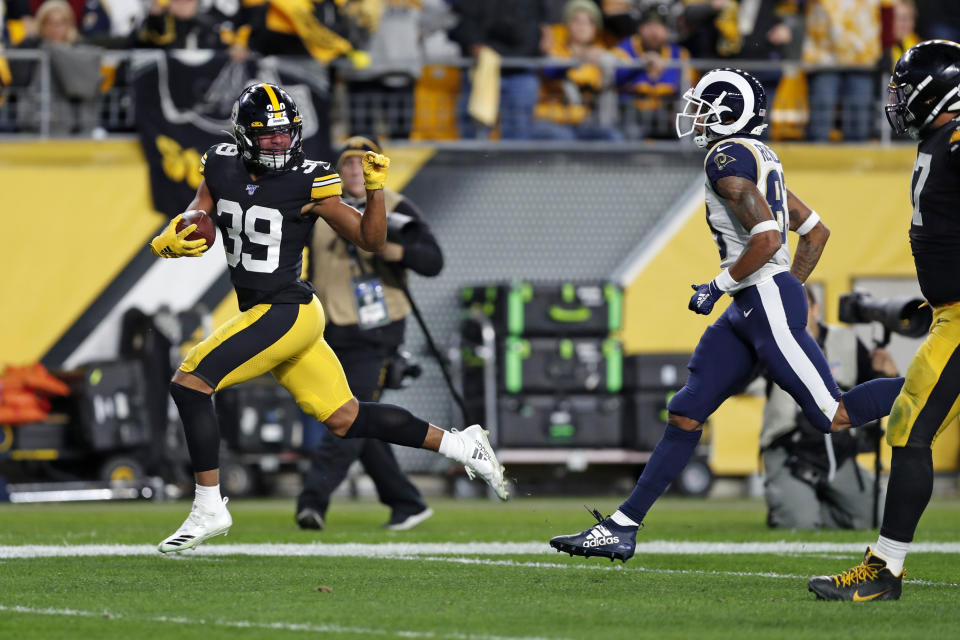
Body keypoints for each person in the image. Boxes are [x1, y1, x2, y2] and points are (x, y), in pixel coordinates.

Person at [549, 67, 904, 563]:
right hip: (755, 304)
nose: (696, 115)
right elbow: (816, 232)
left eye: (704, 106)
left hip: (757, 297)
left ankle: (934, 382)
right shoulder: (761, 155)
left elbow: (768, 238)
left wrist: (719, 286)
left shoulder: (728, 155)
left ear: (729, 111)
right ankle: (622, 527)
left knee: (832, 414)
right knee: (686, 410)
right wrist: (783, 290)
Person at [148, 82, 508, 554]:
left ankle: (209, 505)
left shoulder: (309, 179)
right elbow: (201, 211)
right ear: (243, 135)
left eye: (285, 133)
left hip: (287, 310)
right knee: (345, 416)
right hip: (267, 310)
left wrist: (376, 192)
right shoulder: (219, 163)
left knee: (190, 382)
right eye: (267, 134)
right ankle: (463, 446)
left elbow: (370, 240)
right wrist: (174, 234)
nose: (279, 142)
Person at [808, 40, 960, 601]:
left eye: (905, 88)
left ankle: (884, 569)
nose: (896, 98)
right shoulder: (940, 139)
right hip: (948, 314)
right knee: (910, 418)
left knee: (909, 429)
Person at [295, 135, 442, 531]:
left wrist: (392, 249)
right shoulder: (326, 207)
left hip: (377, 333)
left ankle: (312, 502)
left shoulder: (396, 207)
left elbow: (433, 261)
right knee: (362, 421)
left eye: (364, 163)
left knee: (345, 416)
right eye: (347, 164)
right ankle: (406, 501)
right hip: (331, 329)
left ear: (377, 168)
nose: (354, 171)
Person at [762, 287, 897, 530]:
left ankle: (809, 506)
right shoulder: (767, 343)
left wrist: (889, 374)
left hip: (838, 452)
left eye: (800, 305)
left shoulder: (845, 340)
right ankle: (795, 507)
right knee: (800, 524)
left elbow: (873, 386)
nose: (794, 313)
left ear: (816, 309)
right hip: (790, 452)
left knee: (879, 518)